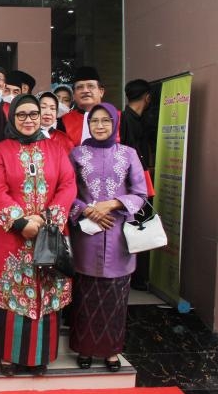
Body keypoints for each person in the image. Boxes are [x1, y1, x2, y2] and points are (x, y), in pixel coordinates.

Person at [0, 95, 76, 377]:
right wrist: (21, 221)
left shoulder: (57, 149)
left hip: (49, 234)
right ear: (12, 119)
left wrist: (48, 219)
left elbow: (68, 184)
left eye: (33, 114)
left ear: (41, 116)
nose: (28, 120)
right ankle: (8, 356)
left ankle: (40, 356)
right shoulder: (0, 150)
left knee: (44, 293)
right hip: (12, 237)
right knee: (11, 292)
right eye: (21, 115)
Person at [68, 102, 147, 373]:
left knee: (116, 296)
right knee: (87, 296)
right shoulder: (77, 153)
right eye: (94, 121)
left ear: (115, 124)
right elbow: (66, 191)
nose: (100, 126)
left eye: (105, 121)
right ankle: (85, 348)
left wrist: (111, 204)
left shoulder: (128, 154)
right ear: (88, 125)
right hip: (87, 237)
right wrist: (89, 209)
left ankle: (112, 351)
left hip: (118, 235)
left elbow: (140, 193)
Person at [120, 79, 155, 291]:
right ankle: (135, 276)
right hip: (132, 182)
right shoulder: (125, 120)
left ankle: (139, 276)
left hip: (143, 179)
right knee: (135, 225)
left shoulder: (137, 120)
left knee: (144, 225)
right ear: (147, 97)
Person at [61, 66, 108, 146]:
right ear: (74, 95)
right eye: (80, 87)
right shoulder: (63, 121)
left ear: (101, 92)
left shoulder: (120, 118)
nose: (85, 91)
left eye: (90, 86)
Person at [37, 91, 74, 155]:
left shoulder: (64, 139)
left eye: (53, 108)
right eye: (43, 107)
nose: (48, 113)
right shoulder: (26, 136)